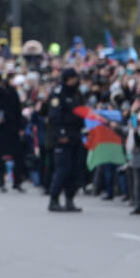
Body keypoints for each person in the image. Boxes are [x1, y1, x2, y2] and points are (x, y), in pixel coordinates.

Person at [47, 67, 85, 212]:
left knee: (74, 170)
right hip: (63, 137)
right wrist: (61, 134)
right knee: (62, 170)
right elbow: (54, 117)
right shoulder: (58, 94)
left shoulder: (76, 94)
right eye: (75, 78)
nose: (77, 81)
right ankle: (54, 199)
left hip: (76, 135)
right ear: (68, 79)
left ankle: (70, 199)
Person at [0, 75, 28, 194]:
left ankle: (17, 182)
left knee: (18, 156)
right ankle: (0, 182)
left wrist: (21, 127)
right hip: (0, 130)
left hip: (13, 128)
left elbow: (18, 111)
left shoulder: (13, 93)